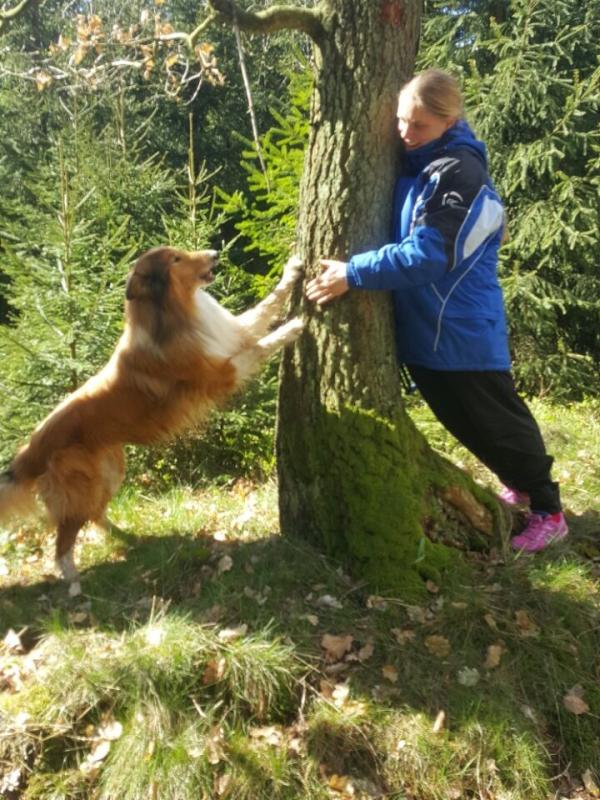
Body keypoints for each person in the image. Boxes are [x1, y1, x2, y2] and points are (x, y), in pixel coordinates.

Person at [305, 68, 567, 552]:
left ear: (449, 122)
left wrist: (353, 272)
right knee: (464, 421)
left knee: (498, 421)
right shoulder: (421, 161)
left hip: (463, 330)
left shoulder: (457, 172)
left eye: (419, 126)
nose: (405, 133)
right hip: (431, 332)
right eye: (402, 121)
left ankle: (549, 510)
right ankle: (521, 487)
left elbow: (427, 253)